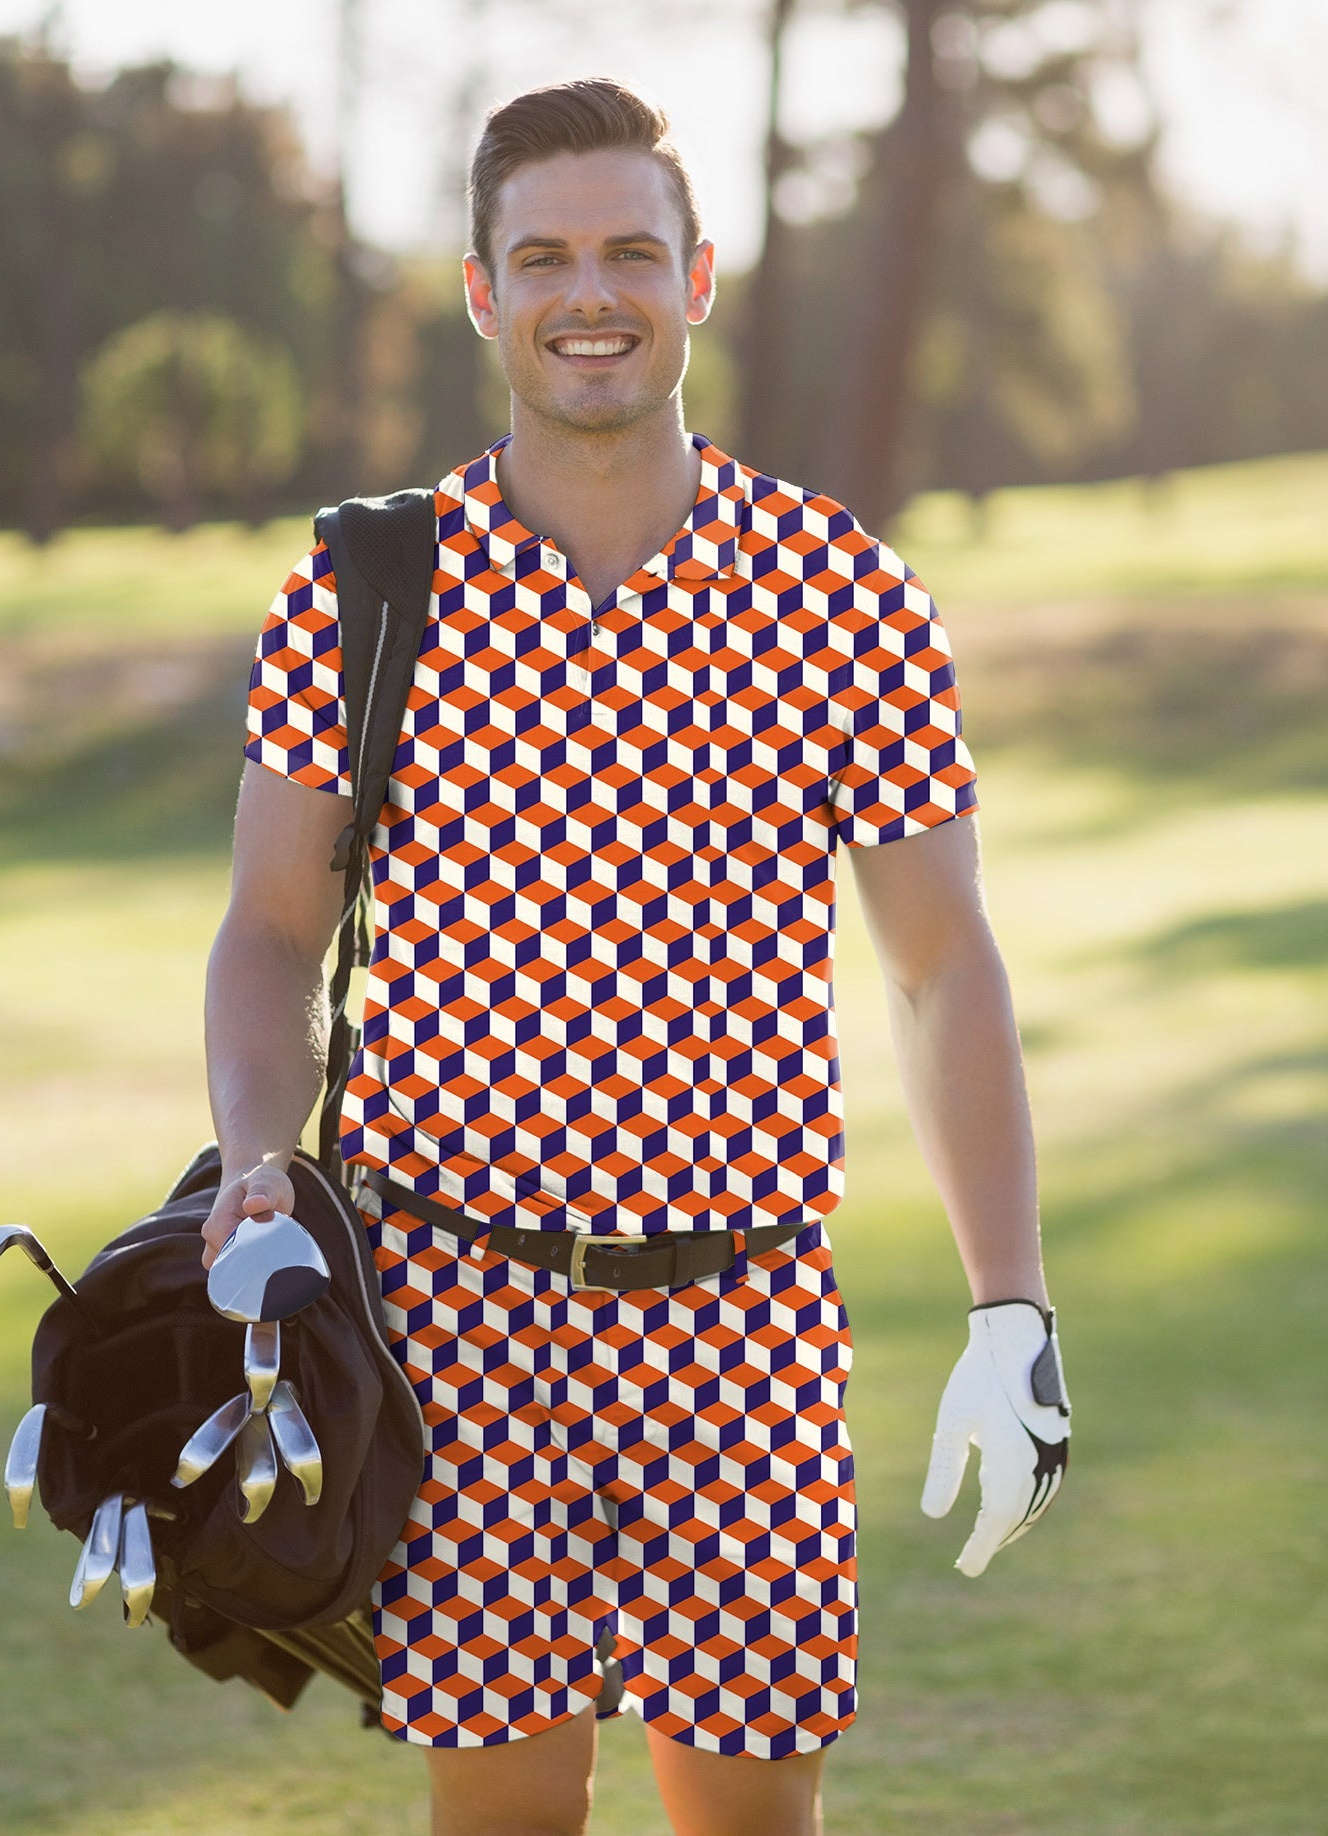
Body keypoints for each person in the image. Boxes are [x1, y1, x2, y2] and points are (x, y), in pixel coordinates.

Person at [202, 77, 1067, 1836]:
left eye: (628, 252)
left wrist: (1012, 1309)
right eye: (545, 257)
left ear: (701, 275)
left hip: (749, 1317)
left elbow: (940, 968)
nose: (589, 291)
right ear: (480, 290)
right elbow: (272, 929)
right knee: (510, 1816)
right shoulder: (371, 590)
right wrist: (255, 1161)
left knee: (749, 1820)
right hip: (457, 1318)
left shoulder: (846, 594)